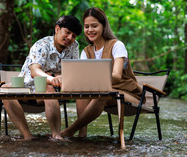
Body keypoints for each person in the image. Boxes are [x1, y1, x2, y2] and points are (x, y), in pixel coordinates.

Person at [61, 7, 143, 138]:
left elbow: (116, 76)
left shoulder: (117, 45)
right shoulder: (86, 51)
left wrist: (93, 81)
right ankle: (82, 134)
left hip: (127, 95)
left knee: (103, 92)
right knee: (82, 90)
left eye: (94, 26)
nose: (90, 30)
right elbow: (83, 79)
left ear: (104, 26)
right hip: (102, 95)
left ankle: (69, 131)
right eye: (87, 26)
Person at [2, 15, 82, 141]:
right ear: (57, 29)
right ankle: (27, 135)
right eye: (67, 32)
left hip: (51, 92)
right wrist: (51, 79)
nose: (70, 38)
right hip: (27, 89)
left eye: (74, 36)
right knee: (5, 89)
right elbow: (34, 70)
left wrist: (57, 78)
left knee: (48, 89)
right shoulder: (41, 45)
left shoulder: (74, 46)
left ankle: (56, 136)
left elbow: (73, 70)